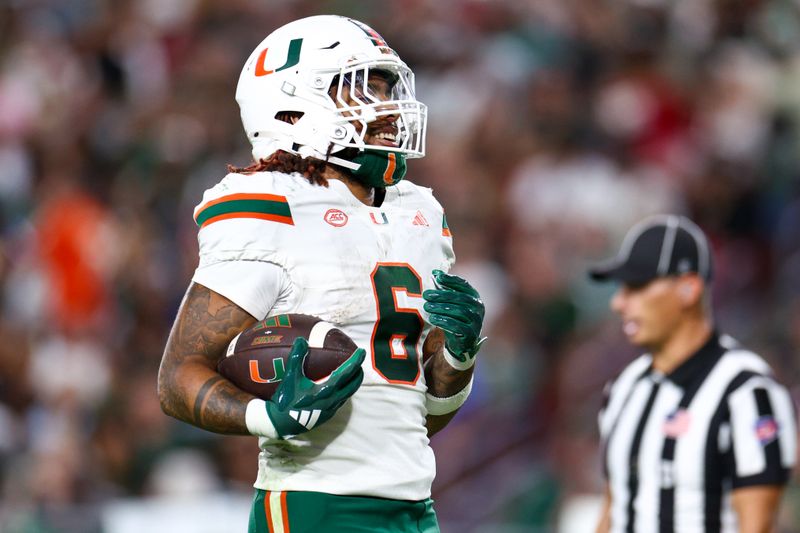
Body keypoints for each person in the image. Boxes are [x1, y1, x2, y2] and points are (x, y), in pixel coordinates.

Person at [157, 14, 486, 533]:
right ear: (291, 105)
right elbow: (177, 379)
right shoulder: (270, 206)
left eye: (387, 89)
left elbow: (419, 417)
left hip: (415, 508)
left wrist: (458, 356)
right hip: (315, 505)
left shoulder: (418, 213)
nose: (387, 110)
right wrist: (270, 417)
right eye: (363, 91)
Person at [588, 214, 797, 532]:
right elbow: (613, 507)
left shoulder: (747, 391)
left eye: (637, 286)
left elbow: (757, 525)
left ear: (688, 289)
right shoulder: (623, 386)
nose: (619, 302)